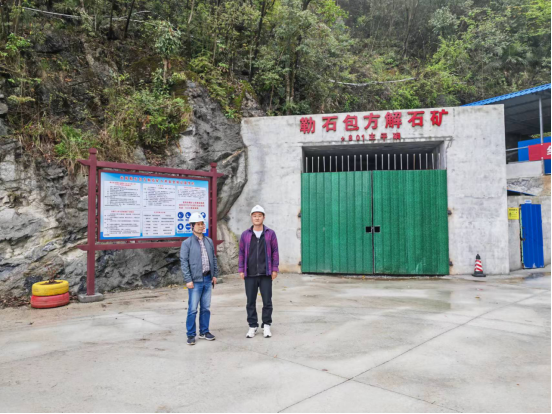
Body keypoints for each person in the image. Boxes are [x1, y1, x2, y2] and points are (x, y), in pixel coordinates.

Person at [238, 205, 279, 339]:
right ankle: (252, 326)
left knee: (267, 301)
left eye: (259, 216)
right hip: (250, 273)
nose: (257, 218)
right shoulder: (245, 235)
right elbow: (241, 253)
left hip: (265, 273)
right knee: (250, 301)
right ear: (251, 217)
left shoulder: (270, 233)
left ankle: (266, 325)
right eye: (254, 216)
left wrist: (274, 269)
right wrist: (241, 269)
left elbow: (275, 252)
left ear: (263, 217)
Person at [180, 212, 218, 346]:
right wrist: (188, 280)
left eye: (202, 223)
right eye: (198, 224)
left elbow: (213, 259)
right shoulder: (187, 243)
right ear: (192, 226)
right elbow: (184, 262)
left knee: (206, 308)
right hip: (195, 281)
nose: (201, 226)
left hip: (208, 279)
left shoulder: (209, 241)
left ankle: (204, 331)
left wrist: (214, 274)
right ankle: (191, 334)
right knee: (192, 309)